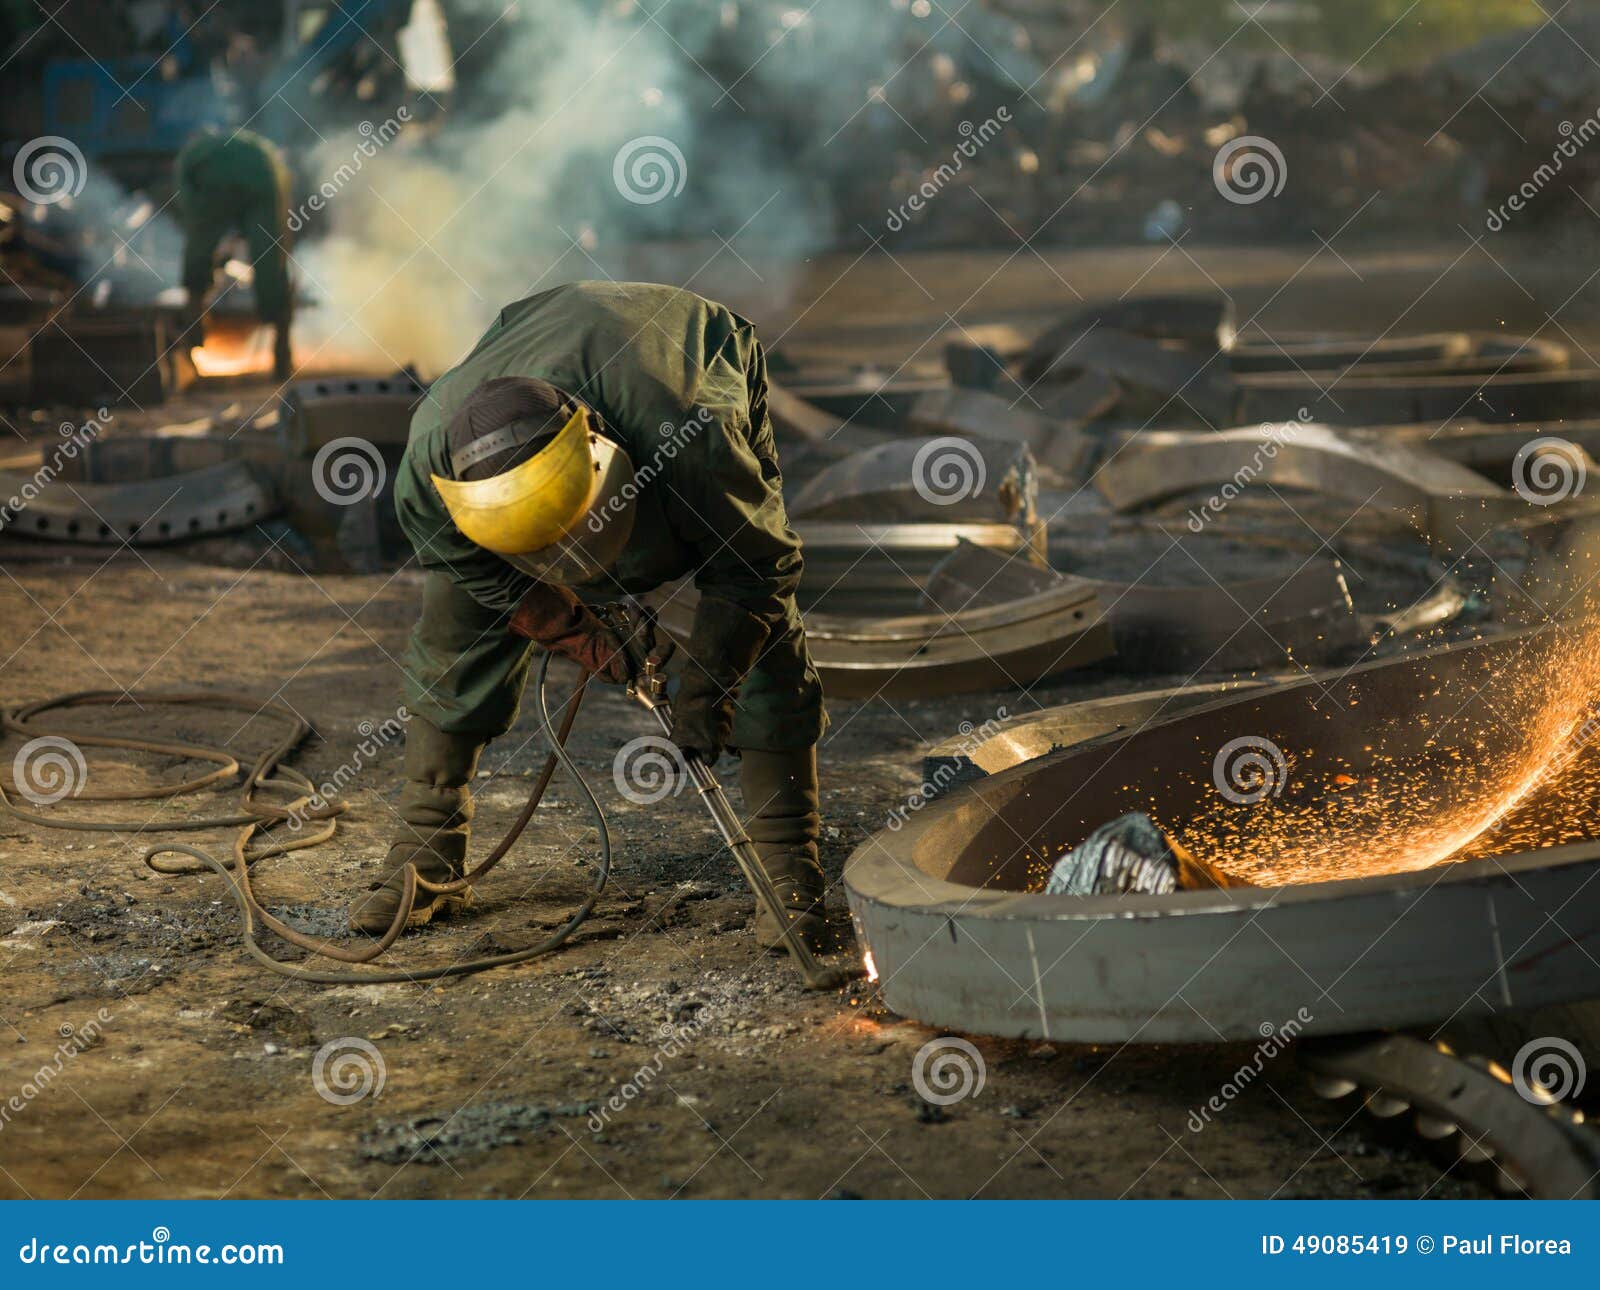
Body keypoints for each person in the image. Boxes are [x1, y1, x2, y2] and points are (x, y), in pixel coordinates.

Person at [350, 281, 829, 956]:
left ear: (601, 450)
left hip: (674, 362)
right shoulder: (432, 473)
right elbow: (476, 574)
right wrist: (575, 632)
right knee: (454, 630)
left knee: (763, 633)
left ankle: (788, 866)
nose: (568, 566)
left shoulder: (694, 432)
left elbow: (756, 569)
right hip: (558, 349)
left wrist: (713, 681)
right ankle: (424, 853)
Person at [174, 127, 294, 379]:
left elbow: (193, 215)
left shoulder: (191, 158)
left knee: (198, 258)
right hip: (263, 175)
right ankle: (282, 355)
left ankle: (191, 349)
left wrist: (206, 257)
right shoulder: (261, 150)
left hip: (216, 179)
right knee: (270, 260)